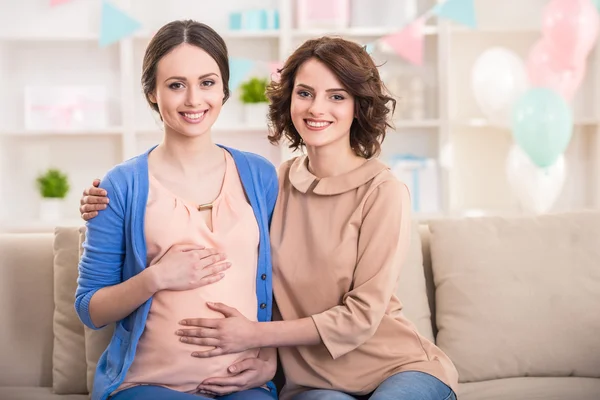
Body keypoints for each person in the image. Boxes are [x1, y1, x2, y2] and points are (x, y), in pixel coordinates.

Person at [80, 36, 459, 400]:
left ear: (358, 106)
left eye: (337, 96)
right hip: (315, 380)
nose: (316, 108)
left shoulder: (381, 191)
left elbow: (361, 315)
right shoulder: (273, 183)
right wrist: (102, 204)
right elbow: (257, 282)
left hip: (395, 366)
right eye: (305, 93)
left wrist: (257, 339)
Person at [75, 20, 279, 400]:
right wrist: (156, 278)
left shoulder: (261, 176)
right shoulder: (120, 186)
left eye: (207, 82)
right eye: (175, 85)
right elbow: (90, 308)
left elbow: (285, 285)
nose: (193, 100)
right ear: (152, 93)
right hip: (148, 384)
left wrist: (269, 358)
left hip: (242, 383)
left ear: (224, 89)